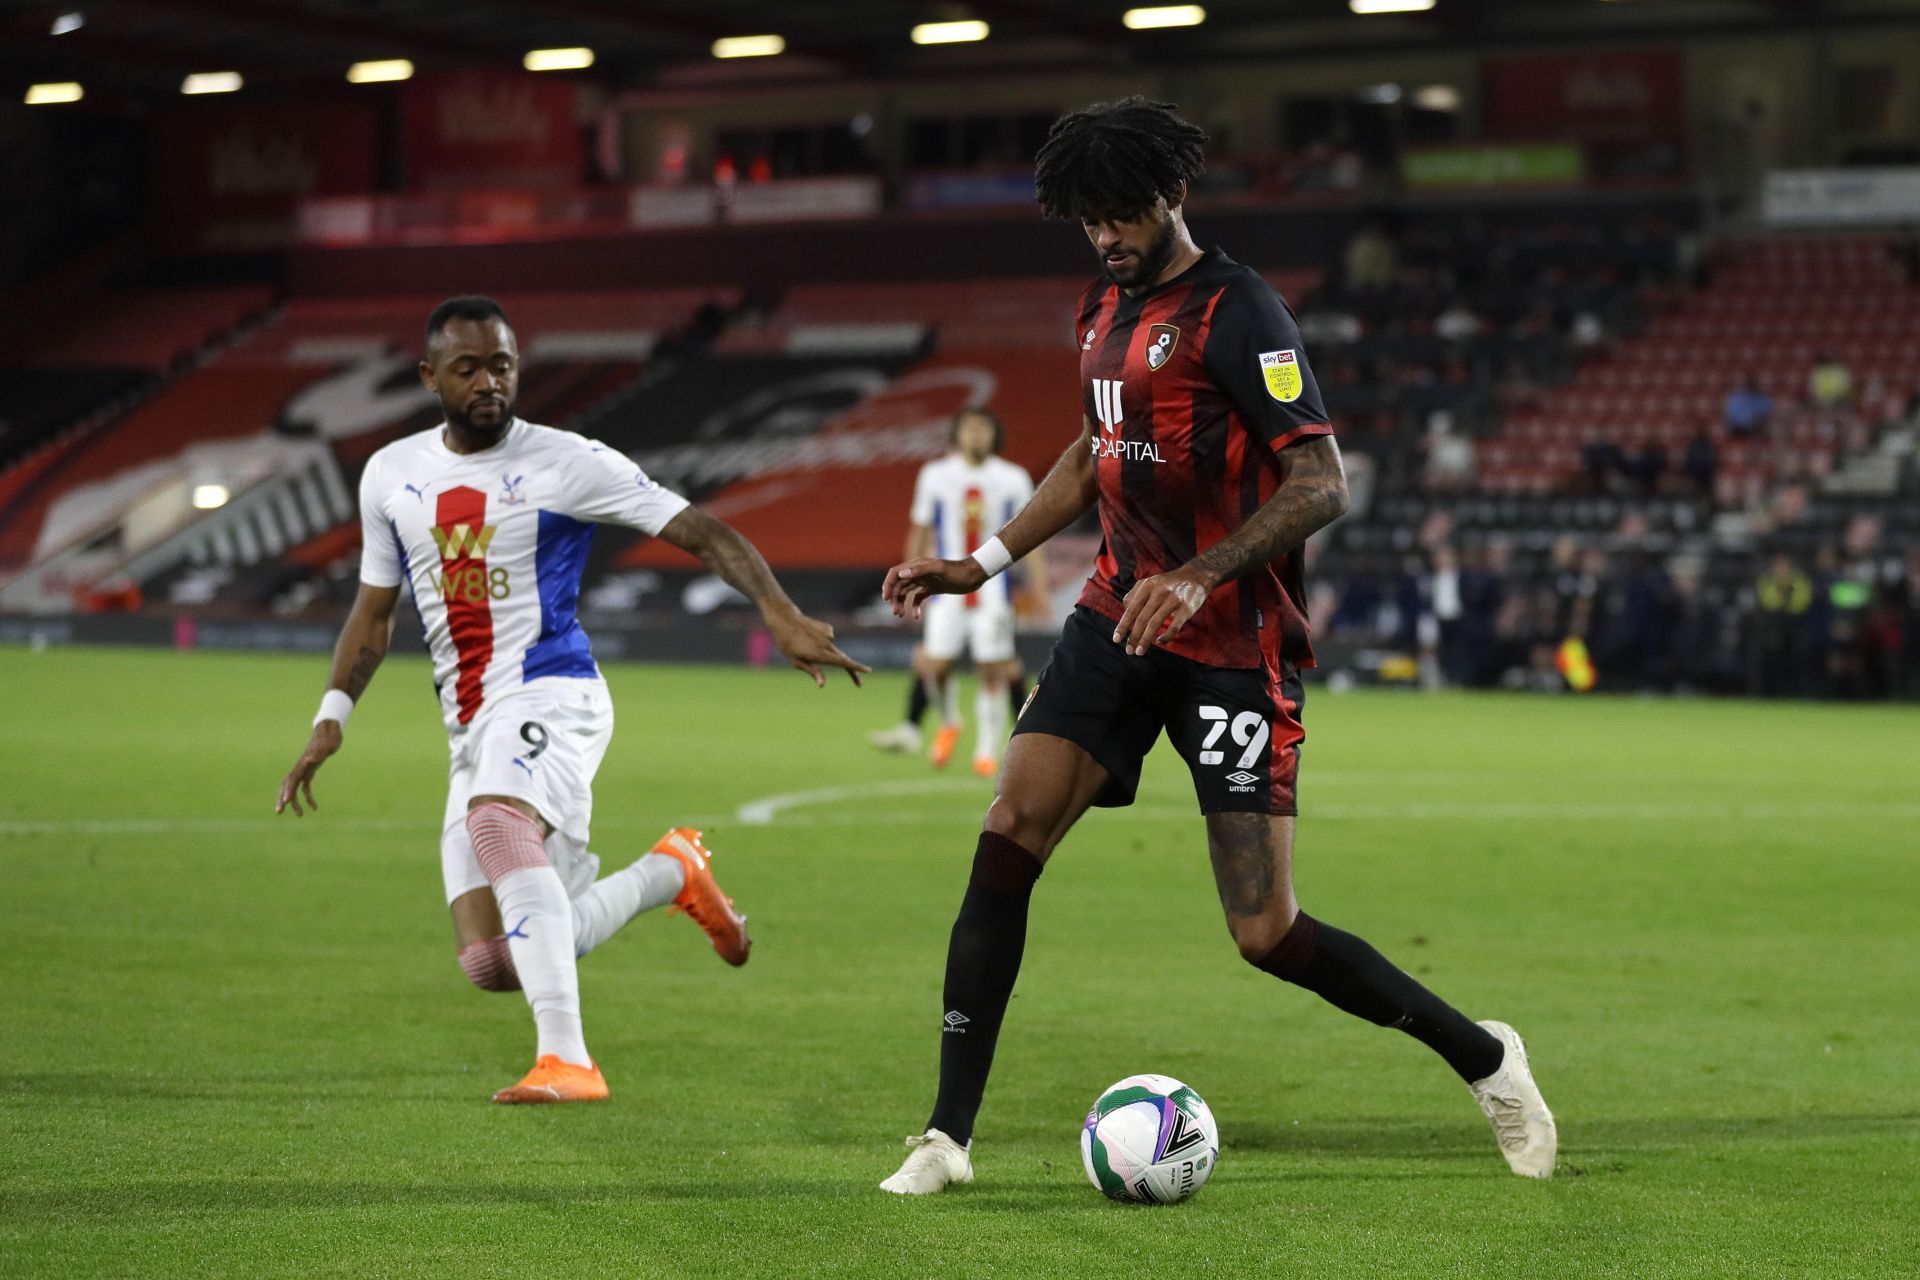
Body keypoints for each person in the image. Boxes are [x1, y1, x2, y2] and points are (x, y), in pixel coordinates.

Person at [875, 99, 1555, 1195]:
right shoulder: (1099, 303)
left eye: (1125, 213)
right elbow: (1093, 450)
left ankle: (1486, 1056)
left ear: (1174, 195)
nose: (1107, 236)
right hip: (1114, 619)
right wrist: (984, 560)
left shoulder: (1243, 312)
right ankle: (947, 1133)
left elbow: (1322, 481)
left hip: (1234, 641)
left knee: (1265, 930)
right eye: (1089, 218)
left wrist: (1202, 573)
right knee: (1008, 833)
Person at [275, 296, 868, 1104]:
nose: (490, 381)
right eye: (469, 368)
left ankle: (568, 1060)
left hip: (555, 690)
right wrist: (330, 720)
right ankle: (671, 871)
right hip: (472, 725)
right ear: (428, 377)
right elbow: (373, 614)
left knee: (496, 823)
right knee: (494, 962)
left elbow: (702, 532)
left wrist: (780, 612)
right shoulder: (392, 474)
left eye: (504, 365)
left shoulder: (569, 462)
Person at [869, 407, 1041, 775]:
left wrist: (1037, 587)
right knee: (935, 664)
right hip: (944, 587)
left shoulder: (1013, 478)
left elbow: (1031, 535)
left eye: (983, 429)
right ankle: (950, 720)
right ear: (956, 434)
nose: (976, 435)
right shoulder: (935, 475)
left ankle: (986, 750)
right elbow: (919, 529)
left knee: (992, 668)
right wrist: (908, 579)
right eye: (969, 429)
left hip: (995, 589)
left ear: (995, 435)